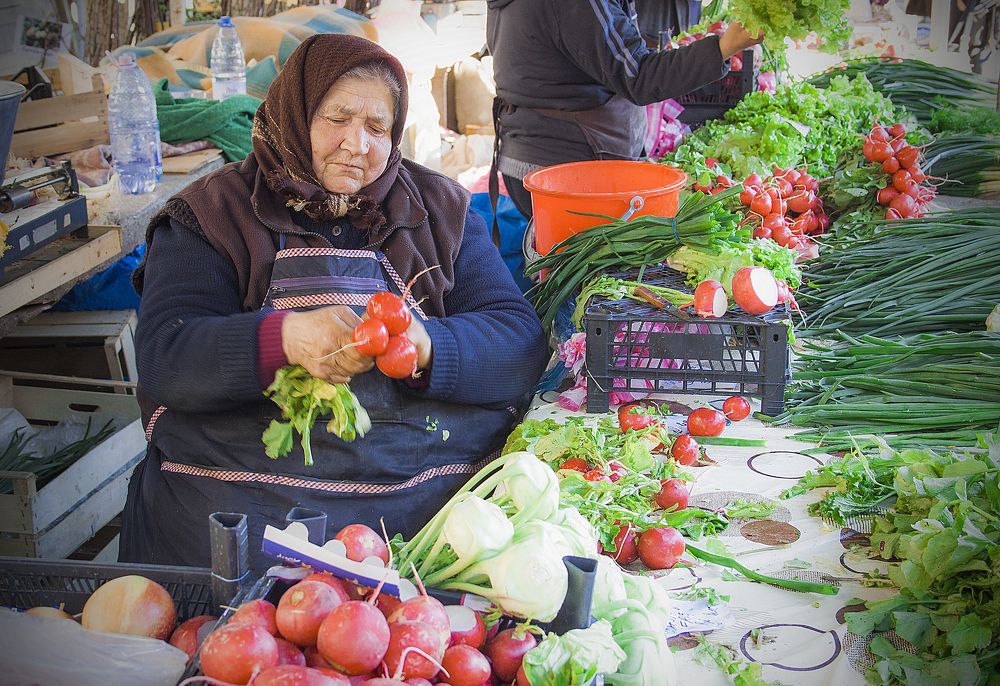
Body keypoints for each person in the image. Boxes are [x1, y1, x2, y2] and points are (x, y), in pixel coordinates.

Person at [119, 34, 549, 570]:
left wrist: (427, 345)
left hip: (418, 527)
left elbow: (519, 343)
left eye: (376, 128)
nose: (357, 145)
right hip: (245, 521)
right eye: (337, 118)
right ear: (296, 114)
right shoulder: (214, 214)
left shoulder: (439, 211)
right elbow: (166, 357)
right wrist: (284, 339)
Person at [486, 0, 764, 219]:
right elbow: (639, 77)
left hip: (533, 159)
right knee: (582, 283)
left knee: (554, 272)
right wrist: (725, 46)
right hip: (567, 175)